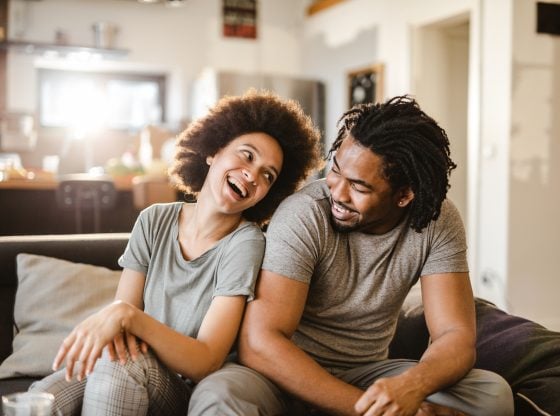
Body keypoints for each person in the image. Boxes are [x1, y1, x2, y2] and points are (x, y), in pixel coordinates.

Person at [188, 95, 514, 416]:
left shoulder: (437, 222)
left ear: (404, 195)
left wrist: (411, 387)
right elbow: (259, 343)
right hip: (277, 375)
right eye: (335, 170)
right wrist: (366, 409)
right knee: (217, 397)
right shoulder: (304, 214)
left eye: (358, 187)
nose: (337, 192)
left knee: (491, 395)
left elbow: (455, 335)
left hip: (367, 372)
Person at [30, 90, 323, 415]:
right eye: (247, 156)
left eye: (268, 175)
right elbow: (122, 325)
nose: (252, 174)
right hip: (133, 363)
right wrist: (123, 319)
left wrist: (128, 318)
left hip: (184, 388)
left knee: (120, 368)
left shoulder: (246, 243)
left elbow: (206, 360)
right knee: (39, 398)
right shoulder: (153, 220)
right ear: (213, 152)